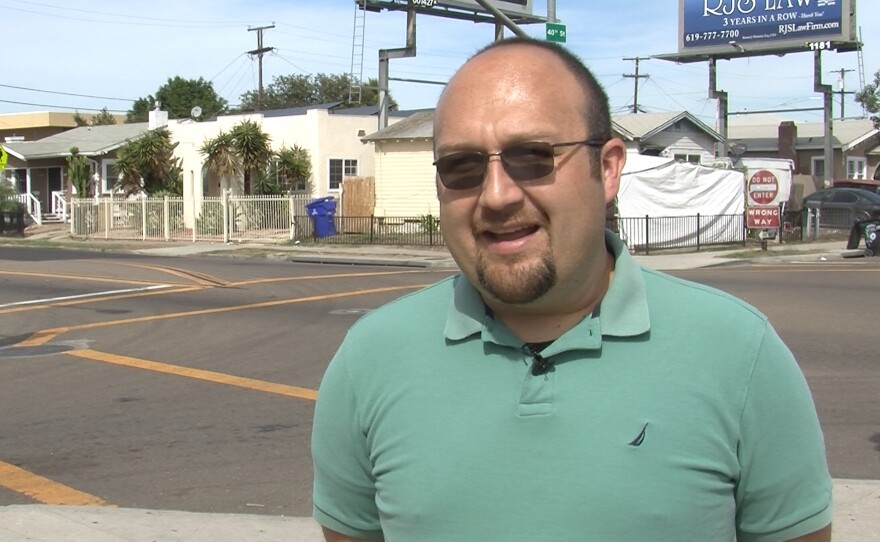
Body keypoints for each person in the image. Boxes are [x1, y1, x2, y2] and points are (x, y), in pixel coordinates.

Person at [311, 37, 832, 542]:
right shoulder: (370, 360)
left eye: (533, 156)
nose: (496, 195)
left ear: (606, 169)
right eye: (462, 166)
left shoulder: (740, 354)